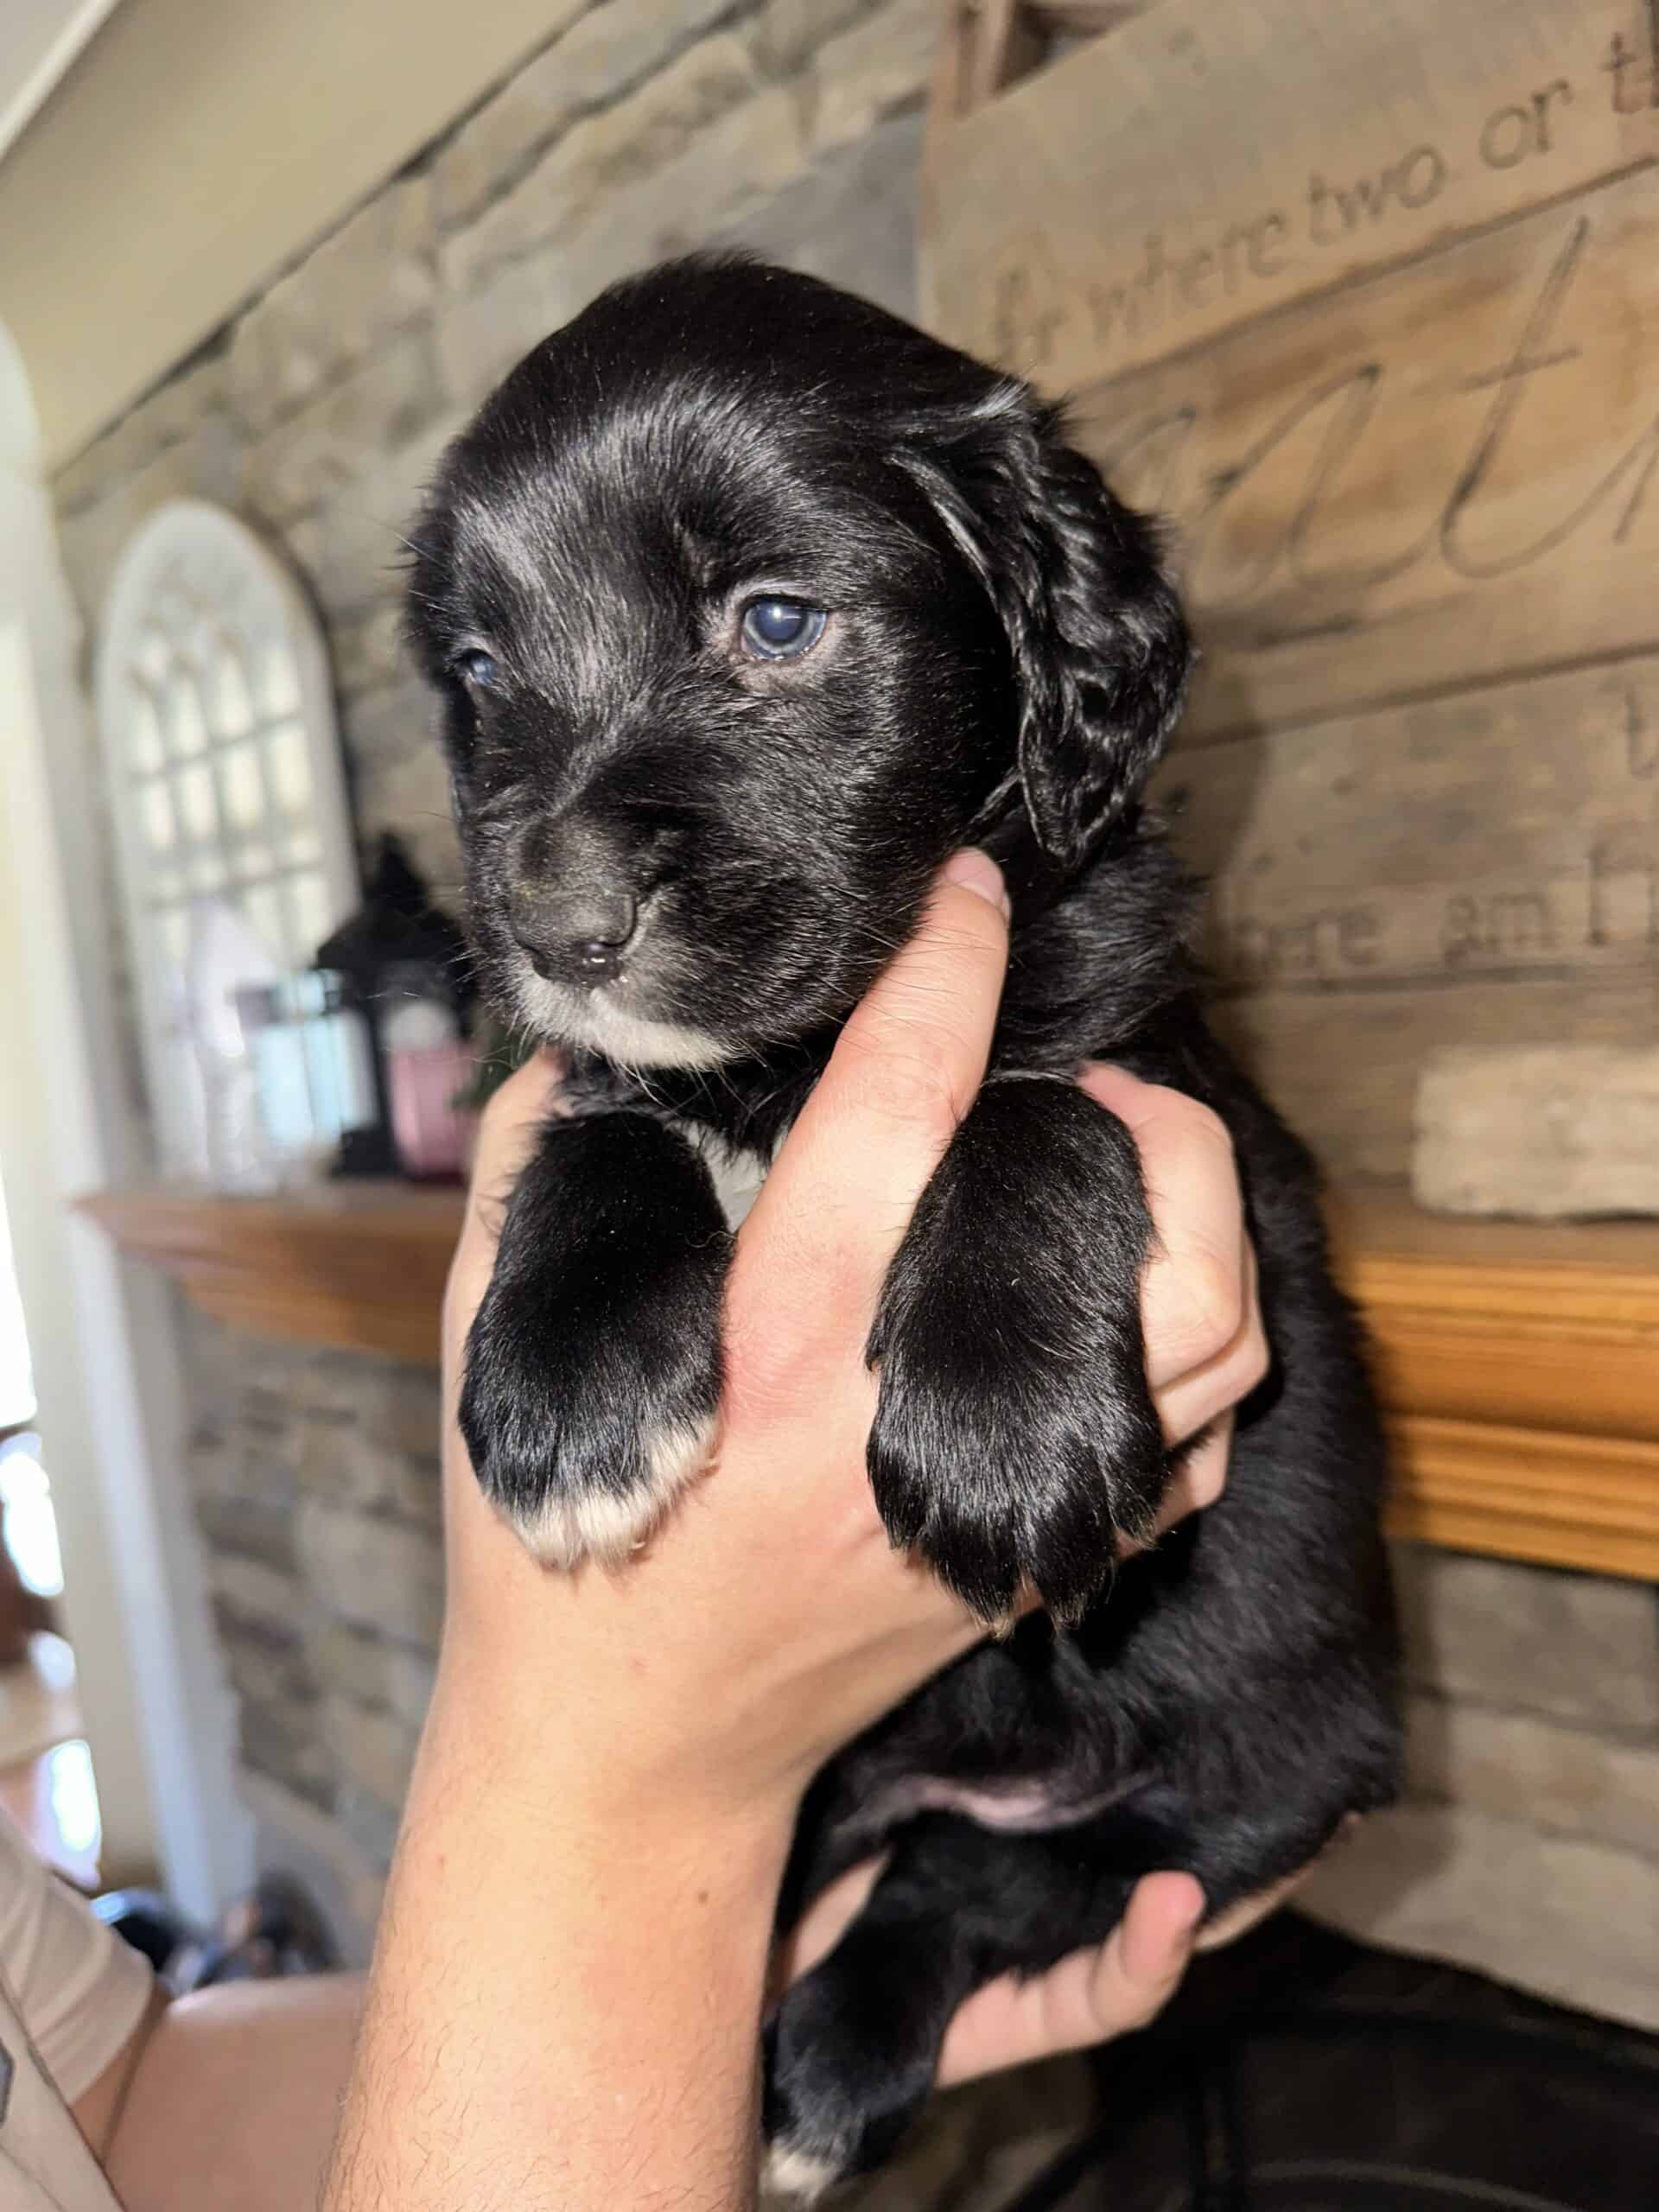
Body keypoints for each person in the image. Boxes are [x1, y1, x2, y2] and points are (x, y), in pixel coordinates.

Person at [6, 852, 1292, 2212]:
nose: (551, 877)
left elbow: (129, 2097)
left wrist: (689, 2027)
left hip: (1129, 1756)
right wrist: (637, 1788)